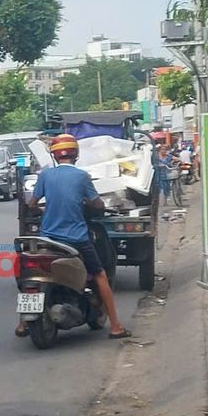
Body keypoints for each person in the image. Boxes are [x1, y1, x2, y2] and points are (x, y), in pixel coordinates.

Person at [24, 133, 131, 339]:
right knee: (100, 275)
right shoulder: (82, 177)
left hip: (48, 239)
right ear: (76, 155)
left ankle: (22, 324)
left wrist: (43, 211)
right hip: (77, 239)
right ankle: (116, 326)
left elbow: (32, 204)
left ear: (54, 156)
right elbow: (98, 204)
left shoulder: (45, 176)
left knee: (35, 276)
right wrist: (88, 203)